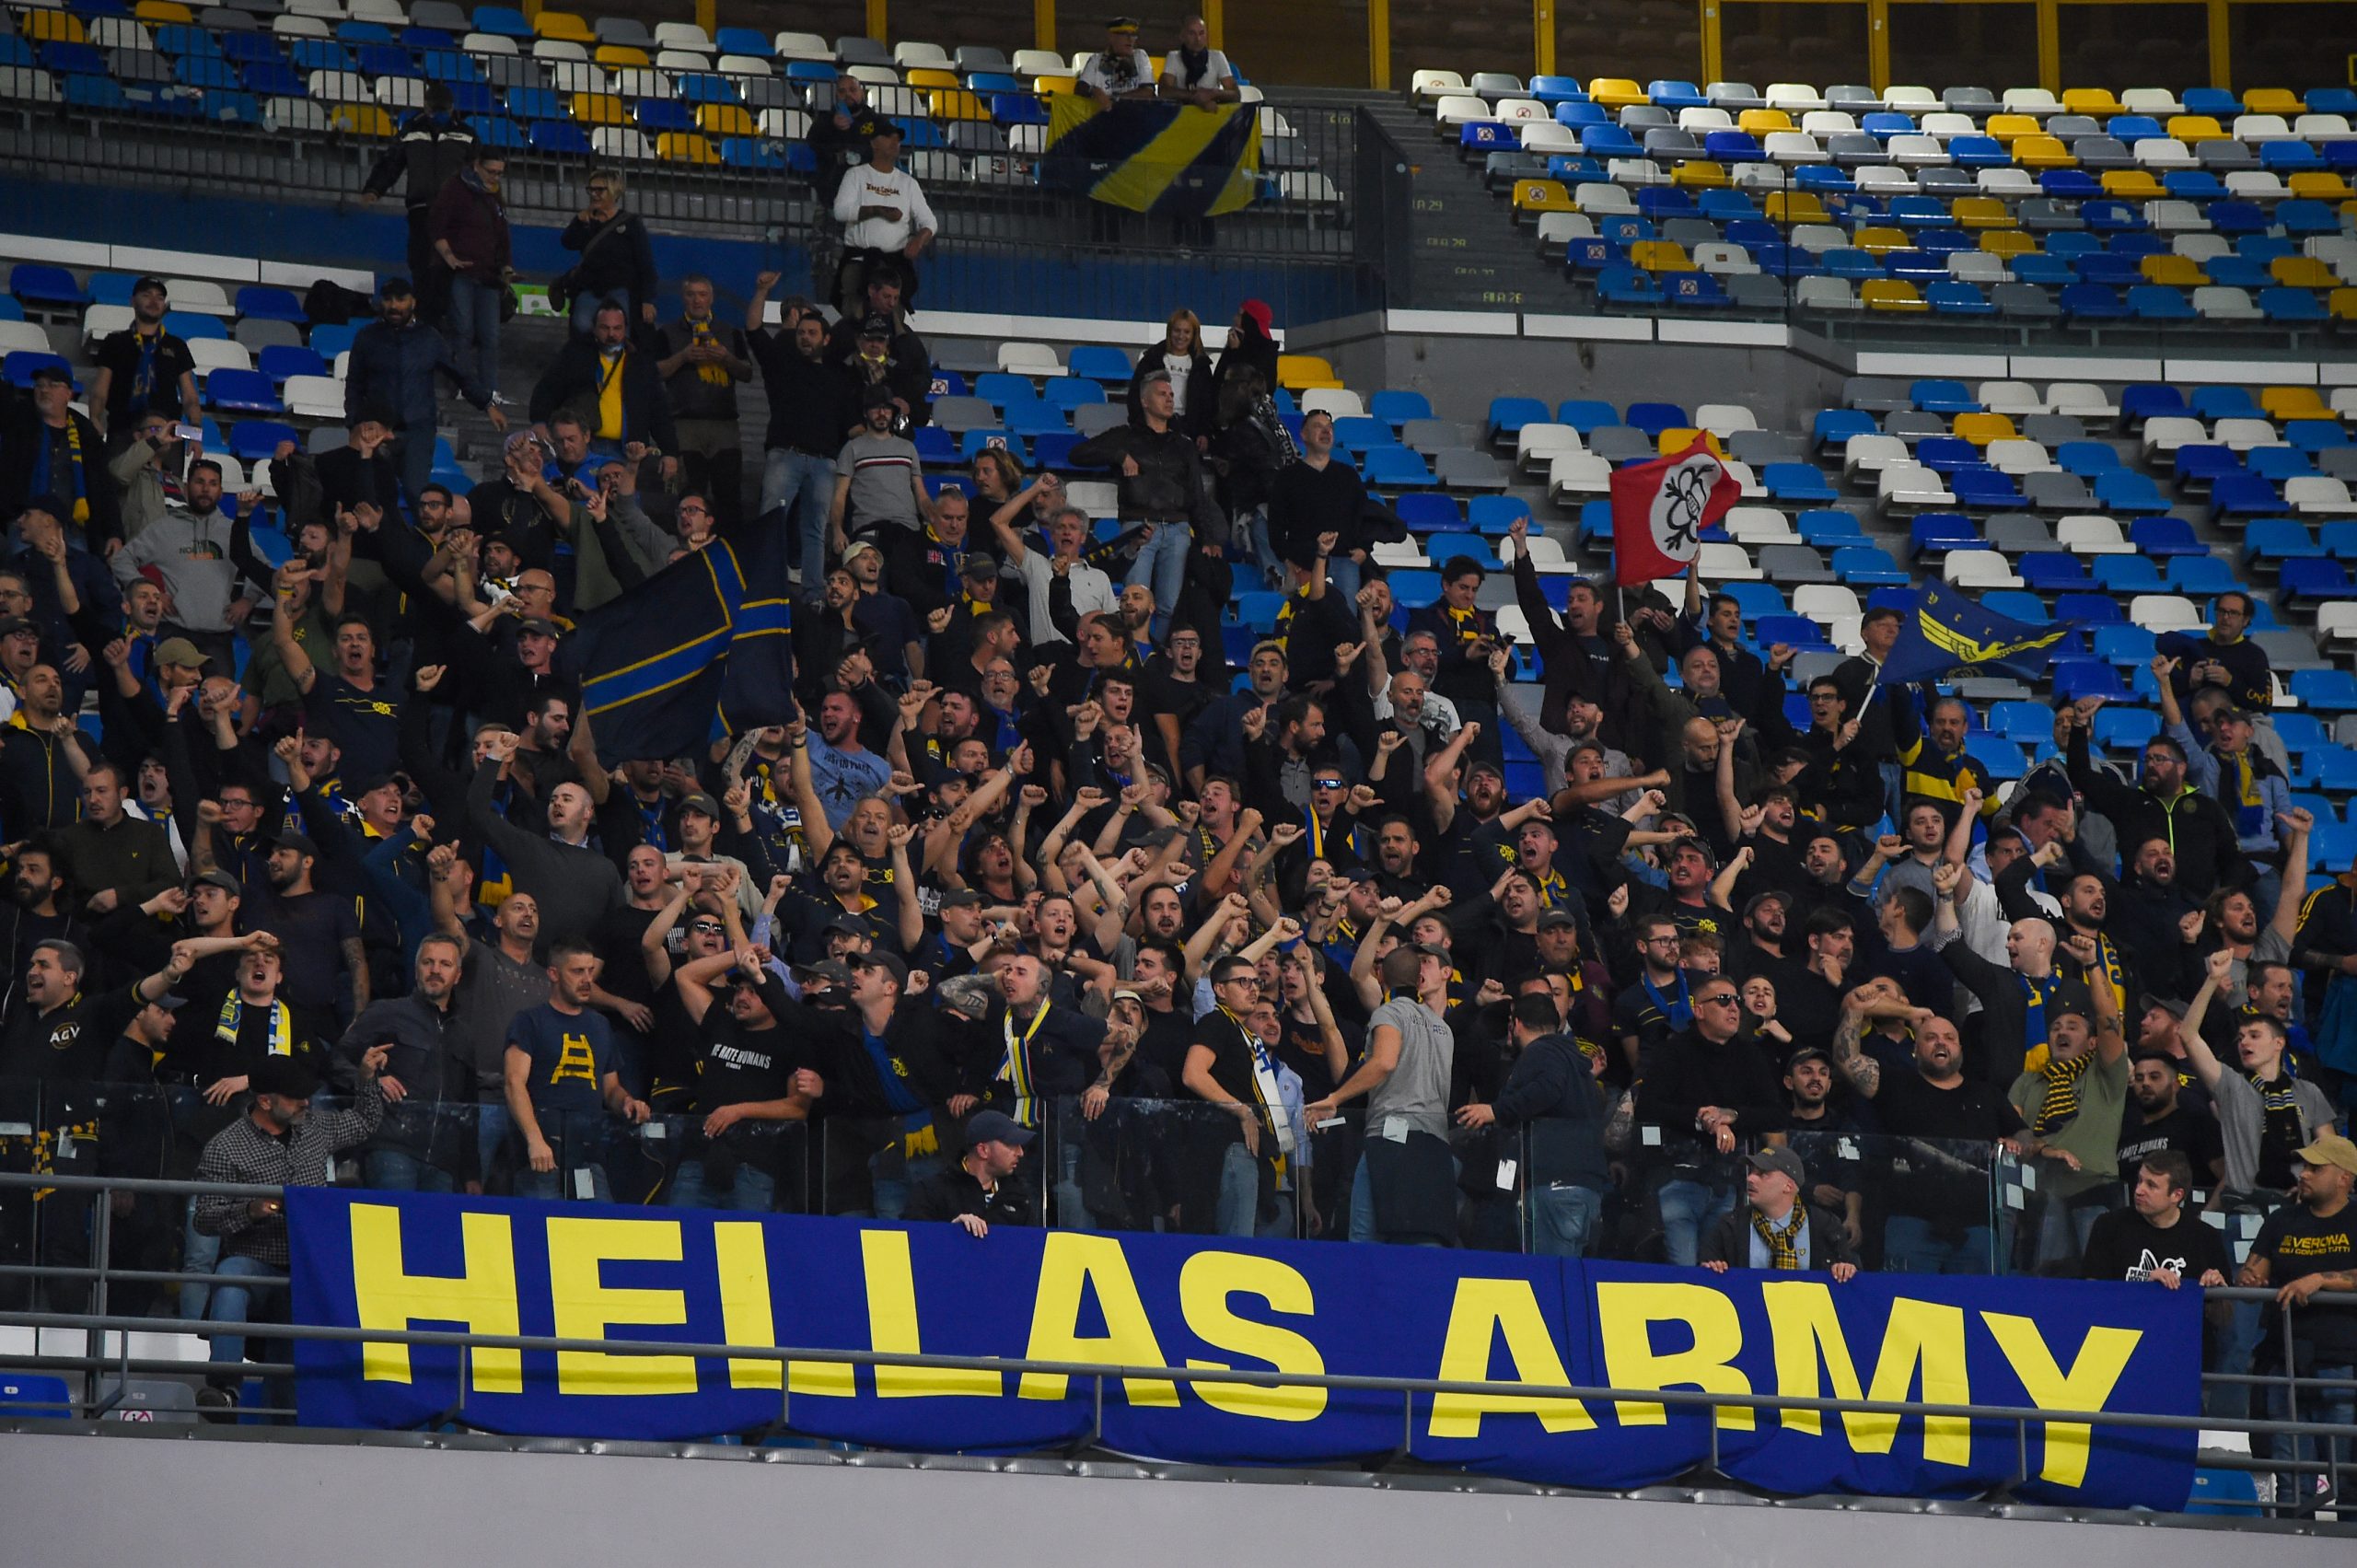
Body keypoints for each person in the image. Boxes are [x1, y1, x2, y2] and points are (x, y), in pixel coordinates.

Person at [191, 1049, 389, 1418]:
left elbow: (365, 1121)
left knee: (286, 1374)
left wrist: (365, 1077)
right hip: (258, 1263)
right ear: (265, 1101)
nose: (305, 1102)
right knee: (231, 1275)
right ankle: (224, 1388)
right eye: (295, 1096)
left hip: (308, 1271)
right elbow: (204, 1219)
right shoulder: (224, 1147)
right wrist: (249, 1211)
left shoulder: (315, 1126)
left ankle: (279, 1433)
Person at [2235, 1132, 2357, 1514]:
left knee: (2349, 1479)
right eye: (2305, 1166)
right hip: (2283, 1359)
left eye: (2315, 1168)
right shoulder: (2283, 1219)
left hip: (2342, 1362)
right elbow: (2251, 1271)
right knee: (2291, 1479)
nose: (2304, 1174)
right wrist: (2250, 1278)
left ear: (2344, 1178)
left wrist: (2322, 1280)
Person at [1308, 942, 1456, 1245]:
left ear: (1382, 977)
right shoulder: (1443, 1027)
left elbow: (1384, 1062)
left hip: (1393, 1138)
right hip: (1436, 1142)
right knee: (1425, 1238)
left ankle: (1365, 1292)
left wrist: (1335, 1098)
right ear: (1419, 981)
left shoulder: (1389, 1013)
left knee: (1364, 1236)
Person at [1457, 992, 1610, 1256]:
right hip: (1585, 1189)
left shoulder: (1542, 1051)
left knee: (1549, 1283)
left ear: (1516, 1024)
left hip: (1553, 1188)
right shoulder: (1576, 1064)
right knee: (1569, 1282)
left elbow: (1548, 1088)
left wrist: (1496, 1110)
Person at [502, 938, 650, 1200]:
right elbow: (514, 1083)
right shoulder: (529, 1021)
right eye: (577, 971)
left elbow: (610, 1088)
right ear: (553, 974)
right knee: (538, 1235)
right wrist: (535, 1140)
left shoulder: (600, 1025)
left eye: (590, 971)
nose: (587, 979)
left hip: (588, 1157)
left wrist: (627, 1102)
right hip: (541, 1156)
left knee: (597, 1236)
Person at [342, 279, 505, 512]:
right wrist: (354, 423)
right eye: (388, 300)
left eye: (400, 299)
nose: (394, 306)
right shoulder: (367, 337)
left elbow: (461, 375)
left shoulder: (430, 337)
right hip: (377, 428)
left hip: (418, 428)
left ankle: (425, 545)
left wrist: (488, 404)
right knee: (373, 494)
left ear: (413, 302)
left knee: (415, 491)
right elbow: (354, 384)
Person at [745, 280, 854, 594]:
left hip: (824, 464)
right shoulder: (780, 364)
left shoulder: (838, 376)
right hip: (785, 456)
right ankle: (765, 589)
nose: (805, 337)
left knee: (814, 531)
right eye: (801, 332)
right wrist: (762, 291)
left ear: (826, 339)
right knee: (771, 526)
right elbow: (753, 329)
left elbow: (851, 424)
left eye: (812, 333)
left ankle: (814, 595)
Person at [361, 84, 480, 321]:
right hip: (421, 212)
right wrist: (374, 188)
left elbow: (479, 172)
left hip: (452, 215)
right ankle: (427, 323)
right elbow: (391, 162)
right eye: (436, 108)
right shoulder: (411, 131)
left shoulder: (465, 135)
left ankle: (444, 322)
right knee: (422, 269)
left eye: (441, 108)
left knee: (448, 272)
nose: (438, 112)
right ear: (426, 106)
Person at [651, 274, 754, 527]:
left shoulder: (730, 332)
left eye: (702, 294)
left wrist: (725, 358)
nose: (697, 300)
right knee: (688, 493)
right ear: (683, 298)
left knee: (728, 495)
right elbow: (654, 373)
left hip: (724, 426)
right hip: (685, 425)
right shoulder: (667, 333)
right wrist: (683, 357)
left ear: (711, 298)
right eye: (691, 294)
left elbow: (747, 373)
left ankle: (730, 552)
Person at [426, 148, 511, 403]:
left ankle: (490, 390)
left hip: (488, 276)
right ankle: (466, 388)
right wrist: (449, 257)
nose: (495, 177)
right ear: (477, 166)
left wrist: (506, 268)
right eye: (491, 172)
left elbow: (502, 235)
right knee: (463, 330)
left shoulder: (493, 196)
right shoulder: (455, 188)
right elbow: (436, 225)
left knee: (490, 335)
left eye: (499, 173)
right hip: (461, 273)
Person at [1700, 1147, 1861, 1279]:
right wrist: (1712, 1269)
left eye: (1762, 1174)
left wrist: (1845, 1269)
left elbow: (1852, 1269)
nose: (1750, 1179)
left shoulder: (1825, 1225)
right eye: (1752, 1172)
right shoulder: (1730, 1226)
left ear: (1788, 1186)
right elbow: (1706, 1269)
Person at [2080, 1151, 2231, 1288]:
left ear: (2176, 1195)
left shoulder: (2206, 1237)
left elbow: (2225, 1317)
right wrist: (2145, 1280)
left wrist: (2216, 1291)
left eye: (2151, 1186)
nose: (2139, 1191)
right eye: (2139, 1181)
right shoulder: (2108, 1226)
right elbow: (2093, 1294)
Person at [830, 121, 935, 315]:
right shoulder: (856, 175)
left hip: (893, 265)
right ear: (873, 143)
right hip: (859, 259)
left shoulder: (908, 183)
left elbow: (929, 222)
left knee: (894, 319)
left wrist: (918, 241)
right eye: (888, 137)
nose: (894, 142)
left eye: (897, 139)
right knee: (855, 313)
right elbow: (841, 211)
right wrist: (877, 210)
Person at [86, 276, 199, 446]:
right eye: (147, 295)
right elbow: (100, 391)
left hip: (168, 433)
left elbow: (190, 397)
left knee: (166, 474)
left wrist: (195, 435)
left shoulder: (177, 346)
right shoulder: (115, 342)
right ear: (132, 301)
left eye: (159, 297)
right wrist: (94, 418)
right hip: (123, 430)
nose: (154, 301)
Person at [557, 169, 658, 334]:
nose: (594, 194)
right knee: (582, 326)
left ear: (613, 191)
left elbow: (645, 263)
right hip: (589, 288)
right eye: (591, 190)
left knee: (618, 329)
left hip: (620, 289)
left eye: (600, 190)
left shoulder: (631, 224)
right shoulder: (586, 221)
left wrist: (648, 300)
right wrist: (578, 222)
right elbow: (568, 243)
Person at [908, 1109, 1038, 1235]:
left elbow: (1033, 1250)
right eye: (1011, 1144)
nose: (1020, 1152)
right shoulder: (931, 1191)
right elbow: (911, 1241)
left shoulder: (1019, 1197)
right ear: (983, 1150)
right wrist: (950, 1231)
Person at [1159, 17, 1239, 109]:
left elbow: (1235, 94)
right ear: (1182, 36)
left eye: (1201, 33)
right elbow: (1164, 91)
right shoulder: (1174, 57)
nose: (1198, 39)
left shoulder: (1217, 57)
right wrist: (1197, 98)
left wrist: (1213, 93)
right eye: (1192, 34)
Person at [1077, 17, 1156, 108]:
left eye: (1133, 34)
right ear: (1111, 37)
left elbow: (1148, 91)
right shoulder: (1096, 60)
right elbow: (1080, 87)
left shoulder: (1140, 56)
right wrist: (1094, 90)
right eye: (1125, 34)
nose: (1131, 39)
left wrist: (1114, 100)